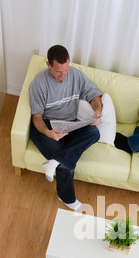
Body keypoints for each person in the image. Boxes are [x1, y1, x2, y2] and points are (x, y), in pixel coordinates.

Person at [29, 45, 103, 211]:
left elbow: (93, 94)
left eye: (66, 70)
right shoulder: (38, 84)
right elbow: (37, 117)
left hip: (69, 123)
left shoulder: (75, 75)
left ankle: (54, 162)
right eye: (58, 72)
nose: (63, 76)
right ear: (48, 65)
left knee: (94, 132)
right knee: (67, 160)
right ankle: (66, 197)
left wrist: (98, 110)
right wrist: (48, 132)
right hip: (46, 126)